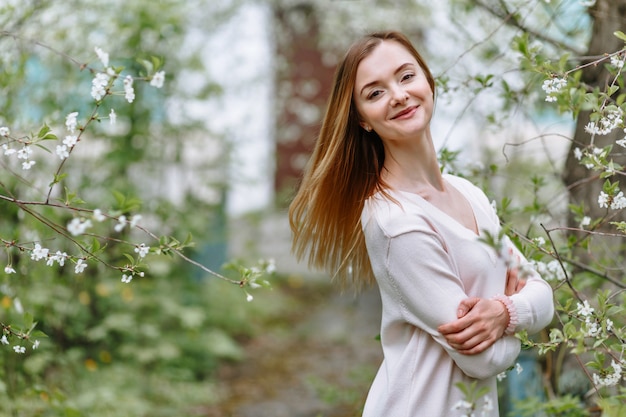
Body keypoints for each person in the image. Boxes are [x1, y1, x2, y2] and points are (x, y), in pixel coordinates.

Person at [288, 30, 554, 416]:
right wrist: (516, 312)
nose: (397, 95)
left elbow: (543, 293)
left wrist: (504, 314)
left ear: (428, 81)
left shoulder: (470, 194)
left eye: (406, 76)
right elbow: (482, 360)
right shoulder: (396, 223)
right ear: (362, 120)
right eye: (375, 93)